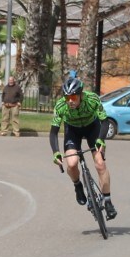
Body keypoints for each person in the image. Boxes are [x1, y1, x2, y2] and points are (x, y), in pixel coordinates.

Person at [49, 76, 117, 219]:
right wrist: (56, 152)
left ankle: (108, 201)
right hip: (72, 131)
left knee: (100, 164)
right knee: (72, 163)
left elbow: (104, 122)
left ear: (80, 94)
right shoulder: (61, 106)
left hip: (92, 128)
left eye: (73, 97)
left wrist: (101, 140)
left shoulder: (92, 99)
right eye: (67, 98)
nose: (70, 101)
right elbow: (53, 132)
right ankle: (77, 185)